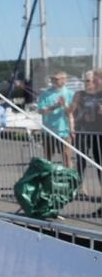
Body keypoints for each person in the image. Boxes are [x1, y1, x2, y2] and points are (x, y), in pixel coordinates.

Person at [69, 68, 102, 217]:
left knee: (99, 165)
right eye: (88, 80)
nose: (91, 83)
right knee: (82, 161)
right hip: (84, 132)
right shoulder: (80, 94)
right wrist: (72, 126)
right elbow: (70, 111)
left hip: (98, 135)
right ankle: (78, 187)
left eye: (94, 80)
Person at [37, 72, 74, 168]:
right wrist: (55, 106)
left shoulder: (70, 94)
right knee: (48, 157)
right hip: (49, 131)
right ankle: (48, 178)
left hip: (64, 131)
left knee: (67, 157)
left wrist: (64, 105)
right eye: (53, 79)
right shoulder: (45, 94)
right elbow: (41, 111)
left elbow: (71, 112)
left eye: (57, 79)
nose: (54, 81)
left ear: (64, 80)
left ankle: (70, 178)